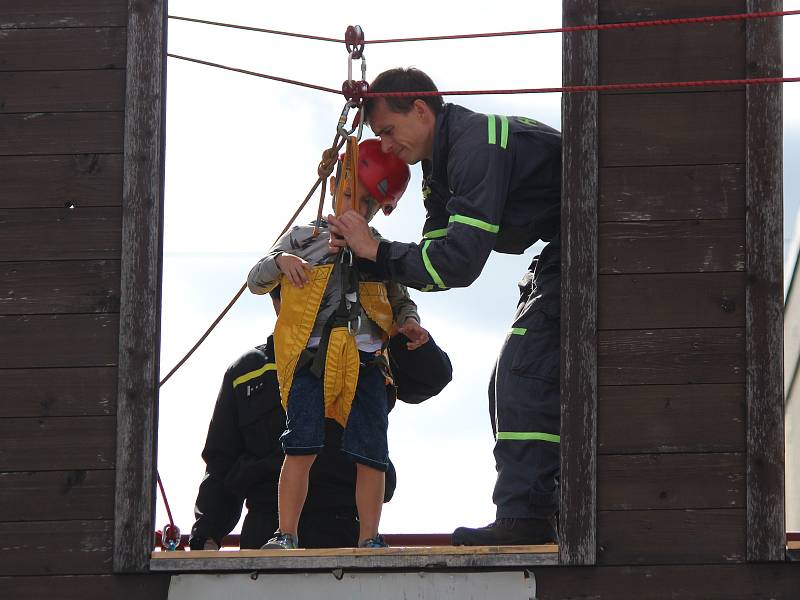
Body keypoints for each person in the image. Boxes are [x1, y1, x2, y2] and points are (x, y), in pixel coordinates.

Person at [328, 68, 562, 546]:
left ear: (420, 110)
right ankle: (536, 510)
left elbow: (457, 263)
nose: (387, 148)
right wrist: (382, 278)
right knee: (512, 378)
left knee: (524, 371)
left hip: (599, 234)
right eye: (378, 139)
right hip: (565, 243)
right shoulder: (439, 169)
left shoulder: (475, 145)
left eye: (388, 132)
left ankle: (528, 519)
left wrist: (376, 250)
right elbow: (436, 263)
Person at [247, 138, 430, 550]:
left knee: (371, 451)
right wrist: (280, 263)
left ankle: (370, 538)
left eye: (368, 204)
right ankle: (286, 533)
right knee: (301, 444)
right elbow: (255, 281)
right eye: (354, 196)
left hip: (365, 362)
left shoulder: (379, 249)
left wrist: (411, 324)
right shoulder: (302, 239)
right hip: (314, 359)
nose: (358, 209)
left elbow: (401, 299)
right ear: (334, 188)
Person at [188, 285, 453, 550]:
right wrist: (206, 535)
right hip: (265, 533)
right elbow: (220, 462)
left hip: (345, 533)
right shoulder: (246, 371)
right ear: (277, 303)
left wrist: (408, 332)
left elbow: (432, 379)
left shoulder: (368, 361)